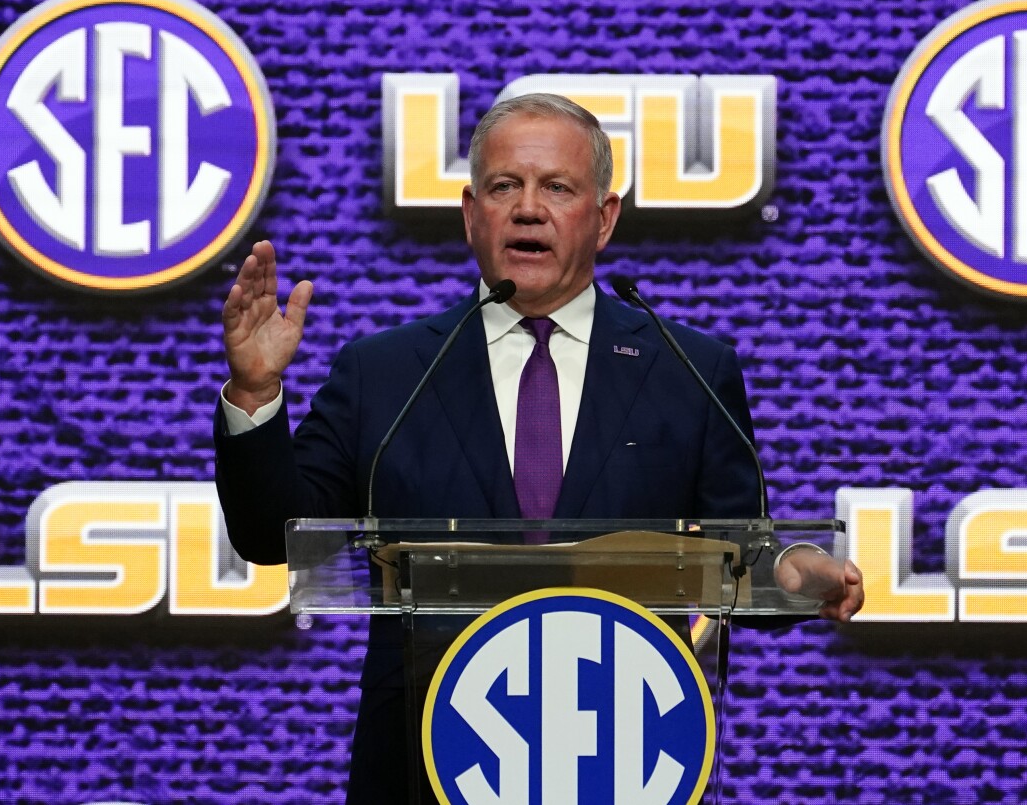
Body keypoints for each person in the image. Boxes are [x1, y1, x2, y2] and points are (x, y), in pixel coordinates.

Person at [214, 93, 863, 803]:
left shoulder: (688, 369)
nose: (528, 208)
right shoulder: (385, 372)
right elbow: (271, 533)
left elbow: (739, 552)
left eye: (557, 187)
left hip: (624, 763)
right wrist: (254, 391)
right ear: (471, 214)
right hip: (421, 767)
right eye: (504, 186)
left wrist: (796, 570)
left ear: (604, 218)